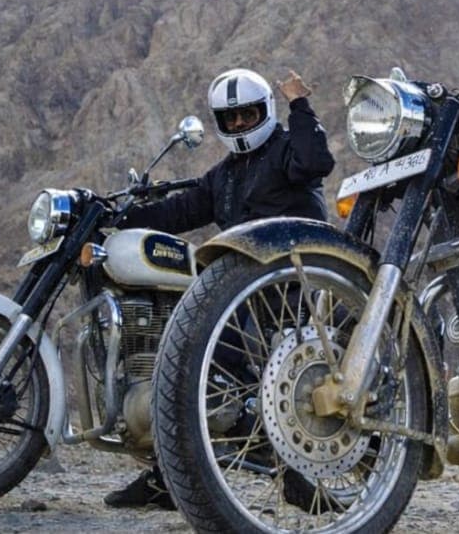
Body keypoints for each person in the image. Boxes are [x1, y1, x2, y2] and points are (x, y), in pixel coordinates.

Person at [104, 67, 335, 510]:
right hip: (237, 292)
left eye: (248, 115)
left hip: (291, 282)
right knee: (192, 368)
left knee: (285, 380)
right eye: (231, 120)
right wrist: (117, 217)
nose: (240, 126)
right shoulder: (223, 176)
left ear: (264, 111)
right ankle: (169, 478)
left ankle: (300, 476)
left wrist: (301, 106)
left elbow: (316, 162)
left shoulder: (288, 150)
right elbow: (178, 212)